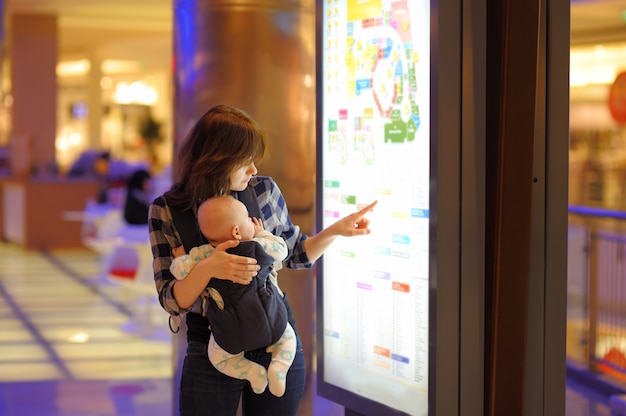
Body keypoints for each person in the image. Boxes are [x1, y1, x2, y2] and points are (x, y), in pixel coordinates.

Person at [148, 104, 376, 416]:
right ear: (218, 159)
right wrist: (208, 268)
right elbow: (171, 300)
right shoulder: (167, 210)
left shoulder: (263, 191)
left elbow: (295, 254)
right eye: (245, 161)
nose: (254, 169)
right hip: (212, 344)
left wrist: (336, 230)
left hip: (276, 333)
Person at [170, 195, 296, 397]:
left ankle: (253, 373)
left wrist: (180, 258)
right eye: (247, 218)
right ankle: (279, 368)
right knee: (288, 338)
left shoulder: (204, 254)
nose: (251, 221)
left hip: (230, 332)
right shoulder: (257, 245)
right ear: (236, 231)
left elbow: (178, 271)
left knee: (219, 358)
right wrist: (262, 232)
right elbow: (281, 250)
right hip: (271, 320)